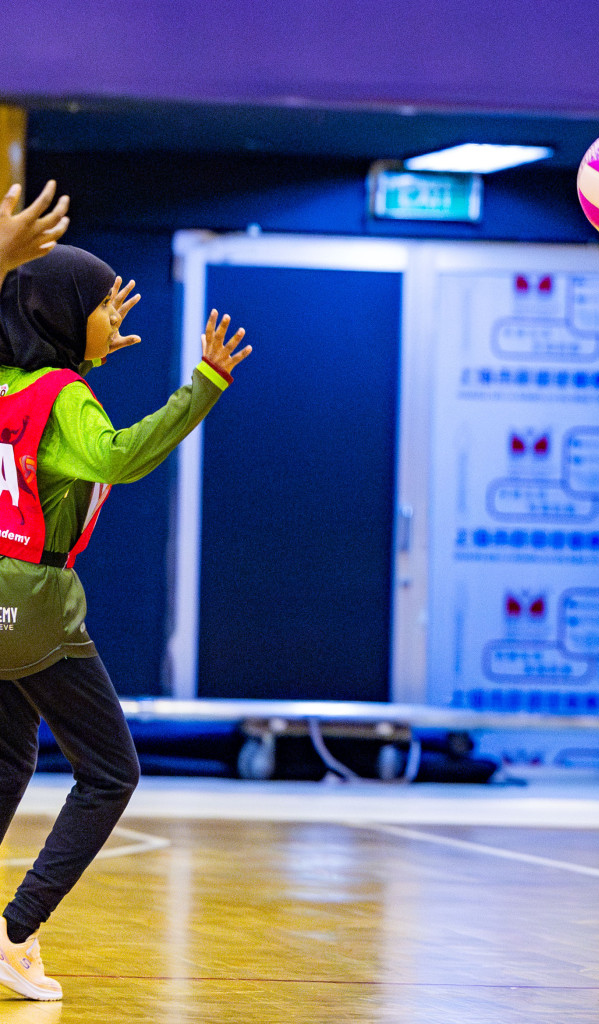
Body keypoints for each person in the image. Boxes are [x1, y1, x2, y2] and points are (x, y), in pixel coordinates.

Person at [0, 186, 251, 1002]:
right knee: (110, 773)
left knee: (8, 762)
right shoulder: (62, 398)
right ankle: (15, 931)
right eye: (104, 305)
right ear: (64, 314)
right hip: (36, 608)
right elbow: (121, 457)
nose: (117, 315)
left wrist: (87, 337)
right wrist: (203, 386)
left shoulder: (6, 379)